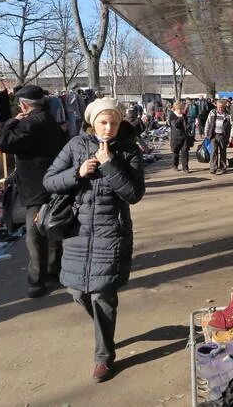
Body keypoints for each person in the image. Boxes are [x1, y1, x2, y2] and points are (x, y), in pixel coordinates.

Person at [43, 97, 145, 382]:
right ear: (92, 123)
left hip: (111, 232)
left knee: (102, 293)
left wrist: (110, 164)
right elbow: (49, 181)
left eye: (114, 122)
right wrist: (78, 172)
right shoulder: (75, 146)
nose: (109, 128)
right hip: (76, 231)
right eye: (103, 122)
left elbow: (134, 195)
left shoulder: (129, 150)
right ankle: (106, 332)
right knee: (77, 291)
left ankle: (104, 357)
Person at [0, 85, 66, 298]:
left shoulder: (28, 124)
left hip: (36, 187)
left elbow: (3, 143)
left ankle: (37, 282)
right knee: (54, 229)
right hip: (55, 183)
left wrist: (12, 121)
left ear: (23, 105)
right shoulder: (52, 121)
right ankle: (54, 271)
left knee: (35, 235)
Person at [204, 99, 232, 175]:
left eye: (222, 107)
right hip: (213, 135)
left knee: (223, 152)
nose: (220, 109)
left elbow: (232, 126)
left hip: (223, 136)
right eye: (219, 107)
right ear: (216, 106)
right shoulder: (212, 113)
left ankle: (223, 167)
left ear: (224, 107)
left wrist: (231, 137)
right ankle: (213, 168)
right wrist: (206, 134)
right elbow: (208, 123)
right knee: (213, 152)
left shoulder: (228, 115)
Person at [169, 102, 192, 173]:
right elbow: (175, 124)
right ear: (177, 108)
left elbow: (187, 124)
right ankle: (174, 166)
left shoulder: (184, 115)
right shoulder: (172, 115)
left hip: (184, 136)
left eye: (182, 108)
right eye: (181, 108)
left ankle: (185, 168)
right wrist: (180, 118)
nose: (182, 110)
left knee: (185, 152)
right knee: (175, 152)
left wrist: (188, 126)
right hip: (175, 137)